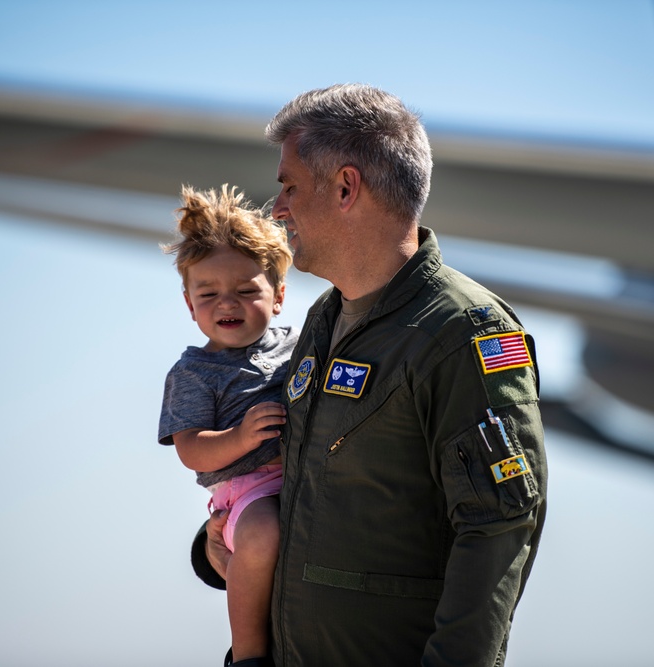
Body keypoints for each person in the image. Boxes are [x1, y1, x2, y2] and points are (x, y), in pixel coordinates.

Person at [197, 84, 548, 666]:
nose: (277, 207)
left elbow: (497, 527)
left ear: (345, 187)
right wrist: (226, 537)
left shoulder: (464, 331)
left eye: (288, 186)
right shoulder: (322, 320)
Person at [159, 184, 297, 667]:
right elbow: (191, 449)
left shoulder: (300, 343)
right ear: (189, 305)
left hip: (300, 476)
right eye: (210, 294)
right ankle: (249, 654)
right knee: (262, 533)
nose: (227, 304)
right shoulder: (194, 372)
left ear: (278, 296)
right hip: (246, 491)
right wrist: (239, 438)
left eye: (246, 291)